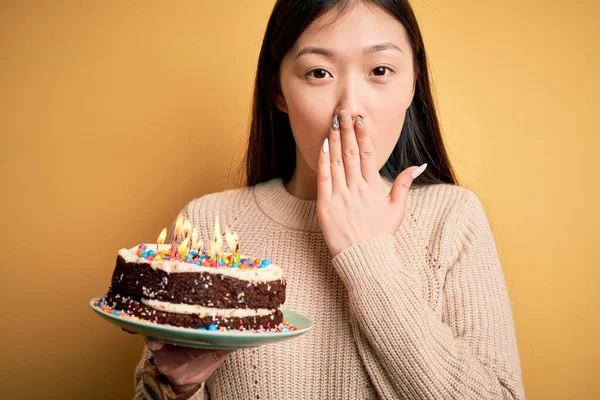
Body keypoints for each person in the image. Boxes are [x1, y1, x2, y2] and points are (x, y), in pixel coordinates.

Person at [133, 0, 525, 399]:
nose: (349, 108)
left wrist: (369, 256)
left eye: (380, 71)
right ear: (278, 91)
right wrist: (177, 386)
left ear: (413, 83)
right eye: (318, 72)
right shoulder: (209, 225)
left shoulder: (453, 218)